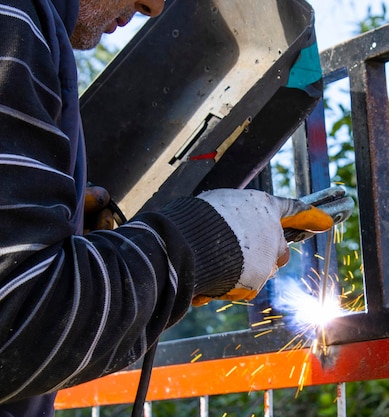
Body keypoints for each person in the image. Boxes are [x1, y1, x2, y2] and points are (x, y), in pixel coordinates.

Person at [0, 0, 332, 415]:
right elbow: (18, 323)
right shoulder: (12, 21)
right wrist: (203, 244)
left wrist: (64, 238)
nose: (154, 7)